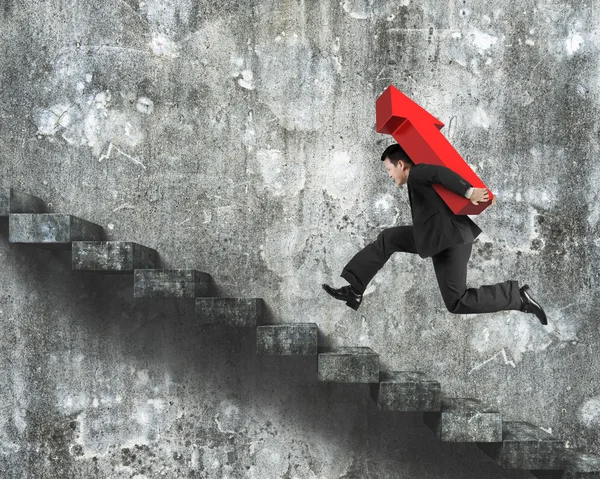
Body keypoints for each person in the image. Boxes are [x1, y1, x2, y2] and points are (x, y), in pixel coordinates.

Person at [322, 143, 547, 325]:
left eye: (389, 170)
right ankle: (355, 290)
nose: (389, 175)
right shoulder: (415, 180)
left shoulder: (418, 173)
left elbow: (441, 173)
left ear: (400, 164)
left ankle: (517, 297)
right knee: (388, 238)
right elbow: (447, 181)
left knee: (457, 301)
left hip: (451, 240)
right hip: (435, 237)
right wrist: (482, 195)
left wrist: (469, 192)